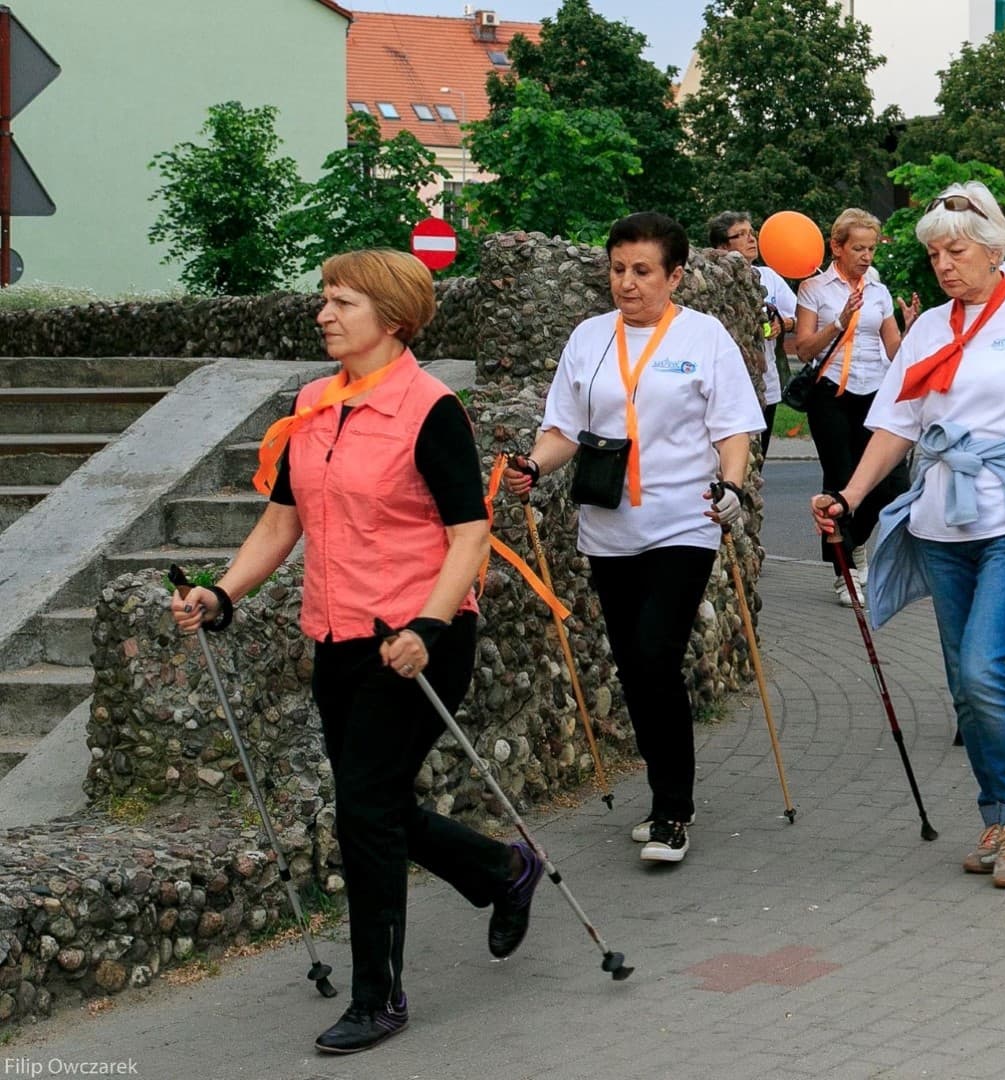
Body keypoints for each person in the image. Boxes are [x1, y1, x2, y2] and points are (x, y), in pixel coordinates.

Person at [168, 249, 535, 1055]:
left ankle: (378, 998)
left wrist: (428, 627)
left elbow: (470, 534)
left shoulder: (430, 409)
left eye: (342, 303)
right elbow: (281, 523)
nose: (324, 315)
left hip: (418, 642)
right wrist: (222, 593)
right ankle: (501, 870)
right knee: (376, 805)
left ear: (393, 319)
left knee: (365, 813)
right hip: (336, 639)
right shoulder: (312, 403)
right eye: (324, 300)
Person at [810, 183, 1005, 889]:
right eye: (934, 255)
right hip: (940, 526)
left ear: (991, 250)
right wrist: (849, 496)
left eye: (955, 251)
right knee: (963, 685)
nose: (944, 265)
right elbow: (895, 426)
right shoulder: (926, 329)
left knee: (986, 669)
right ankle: (995, 813)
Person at [504, 211, 764, 864]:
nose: (626, 282)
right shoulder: (589, 337)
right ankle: (666, 792)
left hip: (684, 521)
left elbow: (733, 428)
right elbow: (562, 429)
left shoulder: (704, 337)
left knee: (654, 656)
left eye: (642, 271)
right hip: (608, 527)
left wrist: (731, 486)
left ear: (675, 276)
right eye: (618, 269)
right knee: (633, 667)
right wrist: (533, 465)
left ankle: (672, 809)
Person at [795, 208, 919, 606]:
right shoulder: (814, 289)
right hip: (831, 393)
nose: (867, 256)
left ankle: (856, 540)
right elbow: (803, 348)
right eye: (859, 248)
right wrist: (840, 321)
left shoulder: (878, 290)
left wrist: (910, 328)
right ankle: (844, 572)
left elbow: (894, 351)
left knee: (891, 485)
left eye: (872, 249)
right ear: (837, 247)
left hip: (875, 393)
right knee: (840, 480)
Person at [708, 211, 796, 458]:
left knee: (758, 459)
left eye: (752, 233)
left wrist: (783, 324)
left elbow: (798, 316)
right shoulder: (714, 280)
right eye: (741, 234)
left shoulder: (769, 276)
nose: (751, 239)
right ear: (722, 246)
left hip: (766, 383)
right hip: (728, 383)